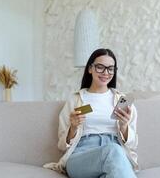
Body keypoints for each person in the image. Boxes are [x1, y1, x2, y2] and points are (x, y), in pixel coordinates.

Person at [44, 48, 138, 178]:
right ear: (90, 69)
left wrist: (124, 127)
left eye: (111, 68)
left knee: (113, 159)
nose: (106, 72)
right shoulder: (75, 100)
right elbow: (62, 145)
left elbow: (133, 144)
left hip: (116, 157)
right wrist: (73, 128)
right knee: (113, 151)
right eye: (100, 67)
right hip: (81, 156)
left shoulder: (122, 101)